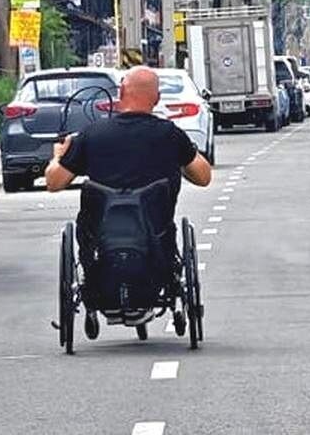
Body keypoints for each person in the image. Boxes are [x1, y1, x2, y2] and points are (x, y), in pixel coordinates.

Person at [44, 66, 212, 335]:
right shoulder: (169, 135)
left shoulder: (91, 135)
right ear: (156, 100)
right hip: (156, 241)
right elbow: (204, 177)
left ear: (121, 93)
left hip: (100, 242)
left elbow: (54, 183)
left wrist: (58, 156)